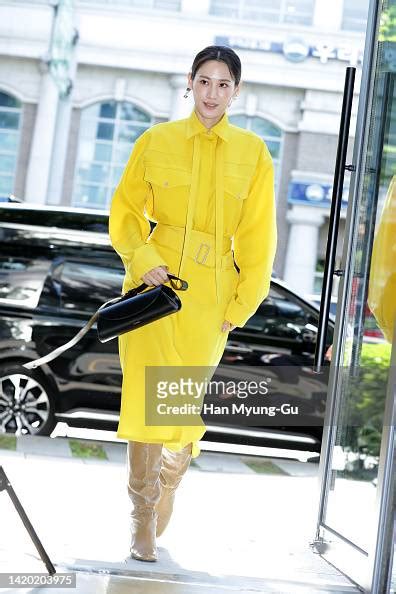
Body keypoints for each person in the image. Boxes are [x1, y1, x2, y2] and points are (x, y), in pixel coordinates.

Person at [109, 45, 277, 562]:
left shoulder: (253, 153)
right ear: (190, 82)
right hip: (153, 291)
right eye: (204, 81)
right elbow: (125, 212)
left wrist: (244, 301)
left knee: (178, 407)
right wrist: (144, 257)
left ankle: (169, 482)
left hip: (210, 297)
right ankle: (142, 518)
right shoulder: (155, 140)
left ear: (236, 91)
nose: (212, 93)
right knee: (145, 400)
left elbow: (258, 236)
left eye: (223, 84)